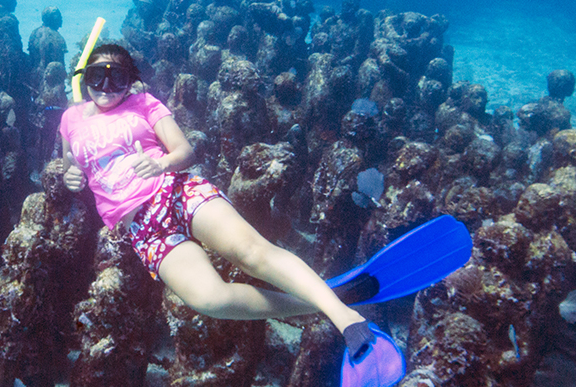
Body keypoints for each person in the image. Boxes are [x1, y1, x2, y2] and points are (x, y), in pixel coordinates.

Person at [59, 43, 374, 357]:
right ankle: (323, 302)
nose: (105, 86)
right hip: (142, 228)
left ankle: (345, 317)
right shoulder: (70, 121)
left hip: (175, 191)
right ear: (84, 76)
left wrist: (160, 164)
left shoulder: (143, 103)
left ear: (131, 82)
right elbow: (71, 167)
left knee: (251, 253)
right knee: (210, 299)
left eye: (118, 78)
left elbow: (185, 151)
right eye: (98, 75)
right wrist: (70, 178)